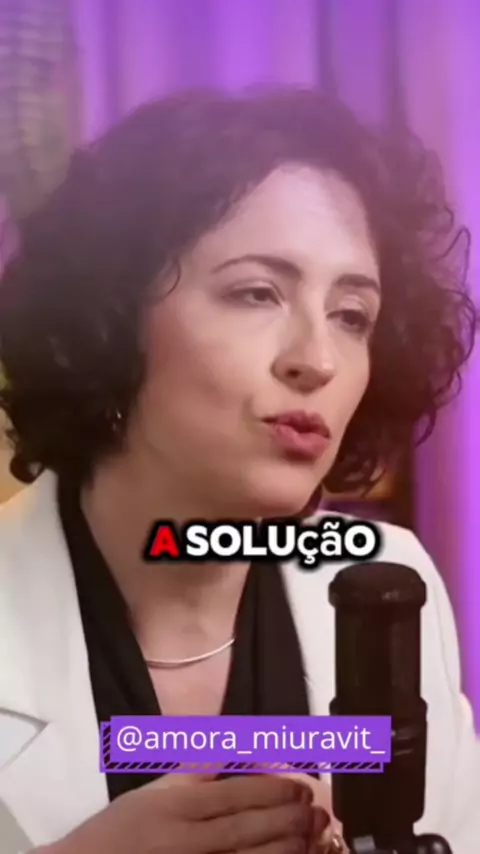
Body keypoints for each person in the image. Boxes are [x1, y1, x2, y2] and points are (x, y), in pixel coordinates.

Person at [0, 88, 478, 854]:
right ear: (109, 320)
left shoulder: (387, 581)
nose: (317, 360)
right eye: (257, 293)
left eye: (352, 316)